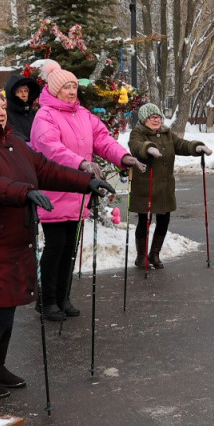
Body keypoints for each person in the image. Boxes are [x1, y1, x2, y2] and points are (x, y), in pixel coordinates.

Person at [0, 84, 112, 399]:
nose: (0, 111)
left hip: (10, 237)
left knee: (6, 305)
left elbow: (45, 169)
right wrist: (24, 192)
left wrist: (86, 182)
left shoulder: (11, 141)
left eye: (0, 106)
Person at [30, 67, 142, 320]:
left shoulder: (83, 114)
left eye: (73, 87)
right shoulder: (44, 116)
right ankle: (46, 300)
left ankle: (63, 297)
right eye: (65, 87)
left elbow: (102, 140)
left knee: (70, 247)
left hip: (79, 192)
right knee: (55, 247)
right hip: (55, 190)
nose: (71, 92)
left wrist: (123, 157)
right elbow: (51, 149)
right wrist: (81, 164)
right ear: (54, 89)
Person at [126, 103, 213, 269]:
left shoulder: (167, 133)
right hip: (146, 186)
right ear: (144, 119)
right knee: (144, 221)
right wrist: (148, 148)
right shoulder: (137, 133)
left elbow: (181, 144)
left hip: (165, 187)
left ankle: (155, 254)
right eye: (152, 117)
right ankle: (141, 256)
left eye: (158, 117)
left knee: (164, 220)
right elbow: (135, 146)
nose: (156, 120)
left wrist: (196, 147)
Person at [5, 72, 41, 142]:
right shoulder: (6, 115)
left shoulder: (34, 113)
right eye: (19, 91)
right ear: (12, 94)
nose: (24, 94)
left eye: (26, 91)